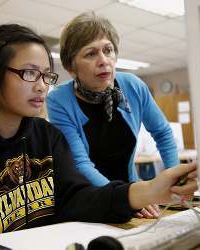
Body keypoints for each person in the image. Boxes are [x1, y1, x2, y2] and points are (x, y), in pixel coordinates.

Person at [0, 23, 197, 250]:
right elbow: (82, 165)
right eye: (29, 73)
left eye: (45, 76)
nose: (41, 87)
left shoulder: (48, 137)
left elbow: (77, 197)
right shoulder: (59, 104)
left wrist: (150, 191)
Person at [46, 11, 179, 218]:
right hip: (89, 198)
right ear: (71, 68)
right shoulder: (58, 100)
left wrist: (175, 183)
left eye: (108, 50)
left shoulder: (133, 86)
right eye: (91, 54)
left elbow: (162, 133)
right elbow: (81, 164)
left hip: (130, 190)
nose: (103, 60)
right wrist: (127, 198)